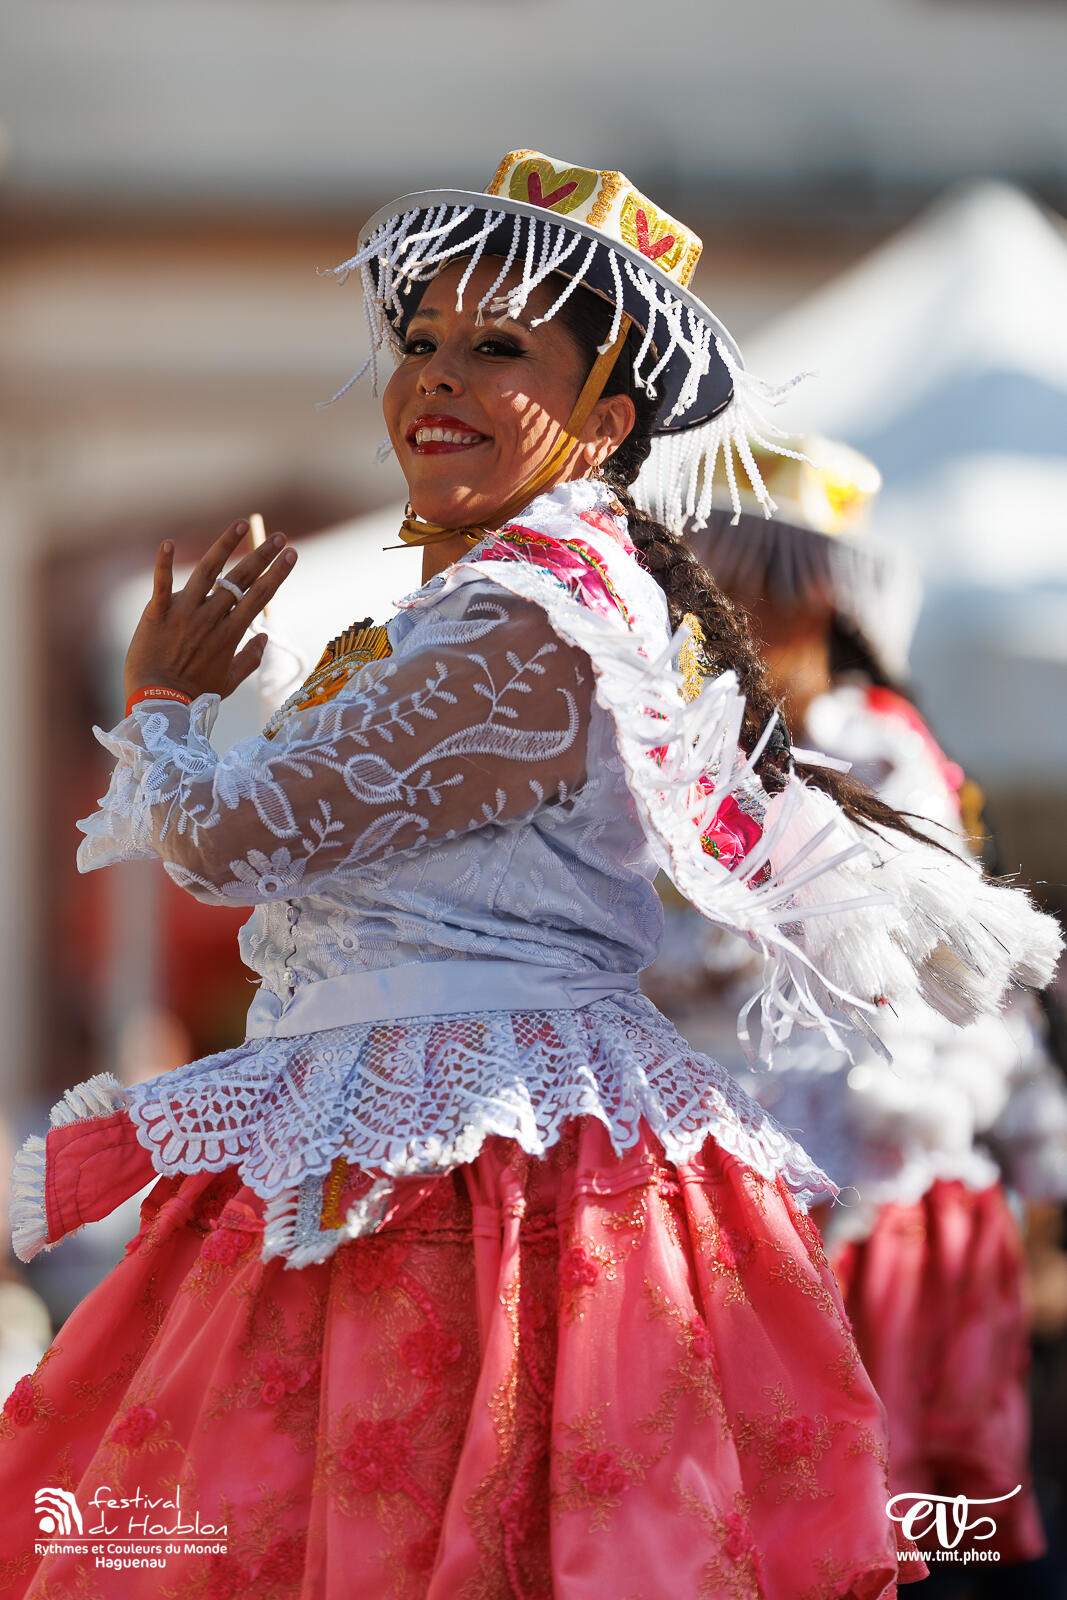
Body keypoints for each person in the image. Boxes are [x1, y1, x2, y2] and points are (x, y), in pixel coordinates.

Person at [1, 152, 1061, 1600]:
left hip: (460, 1169)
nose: (433, 376)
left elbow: (233, 841)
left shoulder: (523, 616)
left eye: (496, 347)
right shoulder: (545, 596)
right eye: (420, 340)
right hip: (465, 1135)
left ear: (602, 416)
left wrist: (166, 702)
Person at [654, 435, 1067, 1572]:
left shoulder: (879, 752)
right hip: (705, 1193)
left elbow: (949, 985)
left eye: (760, 596)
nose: (731, 621)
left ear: (821, 603)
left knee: (878, 1518)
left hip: (861, 1193)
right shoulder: (682, 749)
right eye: (714, 594)